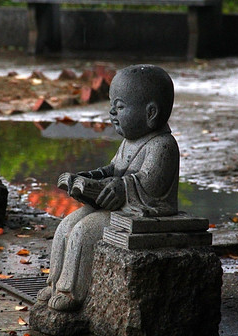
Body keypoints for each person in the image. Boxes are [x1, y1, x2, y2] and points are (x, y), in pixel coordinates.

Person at [39, 65, 180, 311]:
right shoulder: (129, 142)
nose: (112, 112)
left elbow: (149, 184)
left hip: (145, 212)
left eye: (121, 106)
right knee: (66, 226)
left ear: (151, 113)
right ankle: (54, 282)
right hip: (121, 207)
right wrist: (92, 177)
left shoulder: (162, 146)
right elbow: (114, 168)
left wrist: (121, 187)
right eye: (112, 105)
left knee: (84, 231)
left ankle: (71, 292)